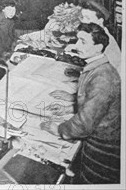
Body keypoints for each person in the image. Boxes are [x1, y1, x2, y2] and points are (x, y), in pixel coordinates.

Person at [40, 23, 121, 184]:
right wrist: (69, 108)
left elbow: (84, 124)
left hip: (101, 152)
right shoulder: (98, 68)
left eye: (83, 42)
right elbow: (94, 104)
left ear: (98, 47)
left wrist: (58, 129)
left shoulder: (103, 78)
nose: (76, 46)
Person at [78, 0, 121, 77]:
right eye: (82, 17)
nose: (83, 21)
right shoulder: (95, 34)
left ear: (100, 21)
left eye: (88, 18)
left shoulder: (106, 40)